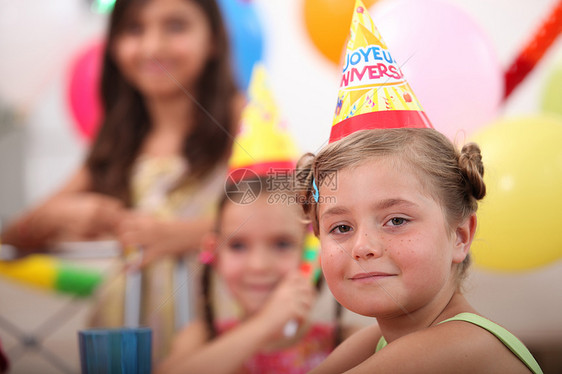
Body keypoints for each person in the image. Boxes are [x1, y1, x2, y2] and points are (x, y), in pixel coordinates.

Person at [1, 0, 243, 361]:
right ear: (113, 46)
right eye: (134, 29)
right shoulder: (118, 142)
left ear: (213, 40)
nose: (152, 46)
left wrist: (182, 235)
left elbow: (294, 211)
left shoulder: (243, 121)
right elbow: (11, 240)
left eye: (175, 26)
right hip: (123, 336)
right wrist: (62, 215)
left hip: (219, 342)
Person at [295, 128, 543, 374]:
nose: (362, 247)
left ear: (459, 236)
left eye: (396, 221)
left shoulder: (459, 346)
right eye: (341, 227)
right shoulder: (374, 341)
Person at [157, 177, 356, 374]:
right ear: (215, 253)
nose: (259, 266)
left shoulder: (350, 343)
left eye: (282, 244)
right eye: (238, 245)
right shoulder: (198, 338)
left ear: (311, 255)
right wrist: (267, 322)